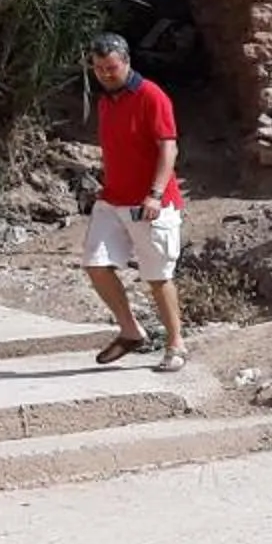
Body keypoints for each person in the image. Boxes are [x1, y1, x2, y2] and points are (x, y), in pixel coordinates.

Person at [80, 32, 187, 372]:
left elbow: (168, 146)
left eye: (110, 67)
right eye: (98, 68)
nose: (104, 74)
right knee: (96, 263)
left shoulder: (150, 95)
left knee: (157, 276)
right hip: (112, 199)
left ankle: (176, 345)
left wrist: (154, 193)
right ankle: (129, 329)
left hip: (150, 202)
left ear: (126, 62)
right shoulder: (105, 101)